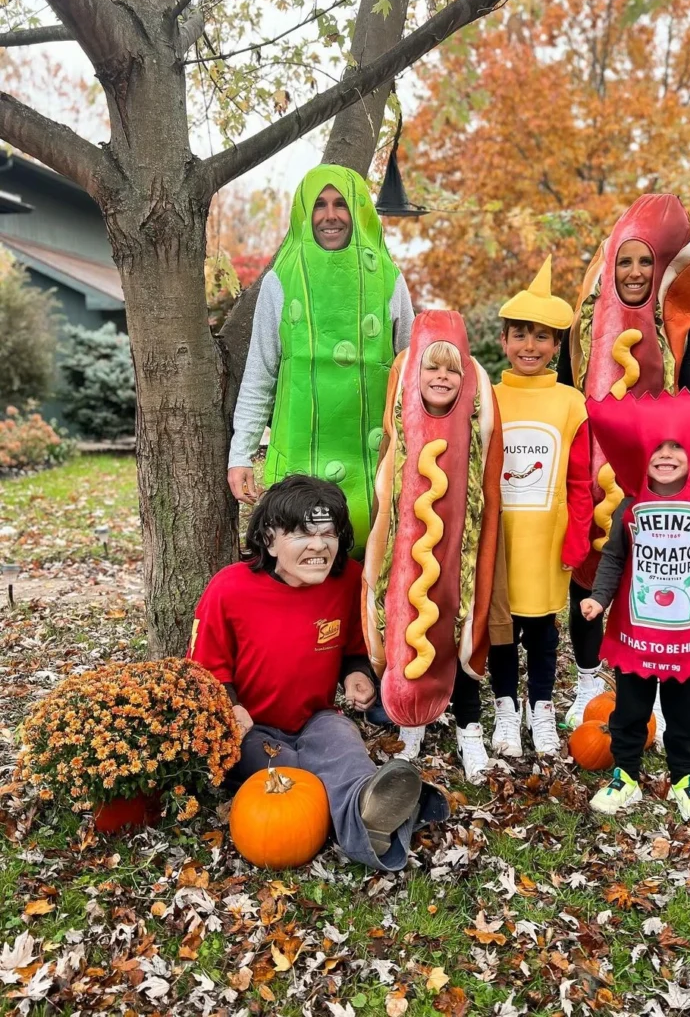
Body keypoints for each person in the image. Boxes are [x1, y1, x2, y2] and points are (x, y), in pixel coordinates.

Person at [188, 474, 448, 870]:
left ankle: (367, 800)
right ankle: (381, 813)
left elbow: (355, 652)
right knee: (291, 782)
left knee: (343, 744)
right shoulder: (229, 589)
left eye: (329, 534)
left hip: (317, 718)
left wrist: (356, 676)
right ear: (269, 539)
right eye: (303, 534)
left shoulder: (347, 582)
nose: (319, 546)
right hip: (251, 727)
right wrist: (231, 707)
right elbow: (206, 669)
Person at [558, 194, 690, 739]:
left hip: (655, 475)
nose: (636, 271)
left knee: (653, 577)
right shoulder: (582, 327)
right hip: (590, 471)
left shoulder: (676, 328)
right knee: (589, 573)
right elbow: (561, 390)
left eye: (646, 261)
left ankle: (657, 684)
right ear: (610, 265)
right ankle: (588, 682)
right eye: (626, 261)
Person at [580, 387, 690, 832]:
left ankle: (685, 780)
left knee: (683, 711)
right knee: (629, 709)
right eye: (657, 448)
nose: (665, 455)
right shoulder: (629, 508)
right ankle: (626, 776)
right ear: (644, 457)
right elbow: (616, 560)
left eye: (675, 447)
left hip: (686, 633)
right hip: (635, 631)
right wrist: (598, 598)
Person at [227, 165, 414, 556]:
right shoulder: (281, 280)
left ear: (359, 210)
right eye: (320, 204)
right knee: (300, 560)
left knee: (369, 568)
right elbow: (261, 374)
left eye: (341, 204)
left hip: (372, 460)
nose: (330, 215)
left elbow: (410, 373)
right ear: (304, 213)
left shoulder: (389, 279)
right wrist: (240, 456)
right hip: (298, 457)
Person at [362, 312, 512, 783]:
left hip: (460, 560)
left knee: (461, 628)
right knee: (408, 627)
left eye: (452, 369)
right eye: (432, 367)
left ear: (465, 378)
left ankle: (468, 727)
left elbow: (489, 484)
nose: (442, 377)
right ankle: (413, 726)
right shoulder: (403, 417)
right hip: (407, 558)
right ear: (415, 375)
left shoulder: (478, 419)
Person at [488, 257, 593, 757]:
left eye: (542, 337)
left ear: (556, 345)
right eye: (520, 336)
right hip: (500, 543)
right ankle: (507, 708)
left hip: (546, 543)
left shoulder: (571, 403)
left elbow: (578, 478)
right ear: (504, 341)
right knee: (503, 632)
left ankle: (543, 707)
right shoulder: (486, 399)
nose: (530, 347)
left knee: (543, 635)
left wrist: (577, 535)